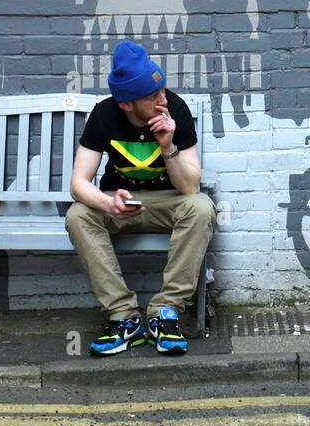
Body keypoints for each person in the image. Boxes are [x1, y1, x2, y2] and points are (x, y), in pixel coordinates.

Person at [66, 40, 215, 355]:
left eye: (162, 90)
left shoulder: (176, 110)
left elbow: (190, 188)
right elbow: (78, 183)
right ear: (127, 104)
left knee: (201, 208)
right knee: (77, 215)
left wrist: (167, 146)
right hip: (119, 201)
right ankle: (123, 317)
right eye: (152, 96)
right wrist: (109, 204)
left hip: (167, 202)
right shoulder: (105, 115)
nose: (163, 99)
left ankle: (166, 311)